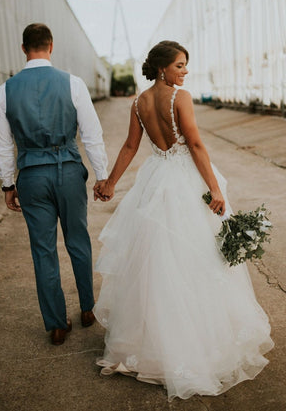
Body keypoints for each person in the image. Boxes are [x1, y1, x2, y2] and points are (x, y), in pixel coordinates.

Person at [93, 40, 273, 401]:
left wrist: (111, 182)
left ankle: (153, 344)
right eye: (179, 65)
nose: (185, 71)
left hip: (155, 181)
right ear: (162, 68)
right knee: (196, 259)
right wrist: (214, 189)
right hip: (184, 182)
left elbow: (131, 147)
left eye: (186, 65)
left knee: (158, 263)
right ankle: (196, 347)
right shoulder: (181, 97)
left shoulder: (139, 102)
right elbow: (194, 145)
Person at [0, 23, 108, 345]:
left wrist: (7, 185)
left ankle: (57, 325)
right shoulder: (72, 83)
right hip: (68, 170)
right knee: (78, 240)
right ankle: (87, 308)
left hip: (31, 174)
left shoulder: (5, 90)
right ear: (51, 46)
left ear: (23, 48)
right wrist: (102, 176)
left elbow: (2, 145)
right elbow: (91, 134)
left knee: (43, 250)